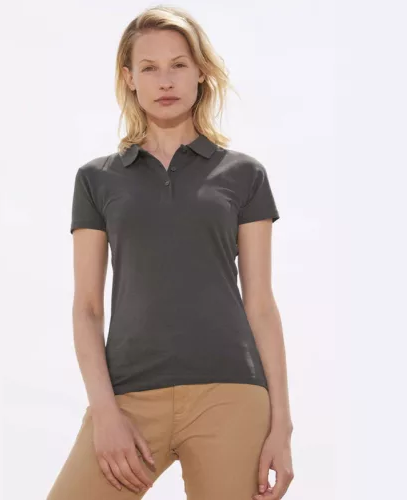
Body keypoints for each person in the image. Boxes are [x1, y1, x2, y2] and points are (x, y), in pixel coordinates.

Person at [47, 5, 294, 500]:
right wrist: (105, 413)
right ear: (129, 79)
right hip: (129, 396)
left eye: (179, 65)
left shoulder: (244, 174)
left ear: (200, 72)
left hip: (230, 394)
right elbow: (87, 307)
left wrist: (281, 427)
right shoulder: (96, 180)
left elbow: (261, 304)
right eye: (149, 68)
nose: (165, 80)